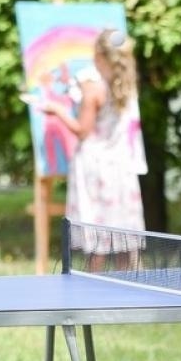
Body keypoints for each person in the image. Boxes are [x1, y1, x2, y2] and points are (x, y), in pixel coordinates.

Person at [42, 29, 146, 264]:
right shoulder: (127, 87)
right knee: (122, 238)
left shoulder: (94, 89)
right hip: (120, 165)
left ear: (100, 57)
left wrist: (58, 110)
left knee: (96, 238)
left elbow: (82, 130)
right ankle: (125, 283)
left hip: (95, 167)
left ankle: (92, 284)